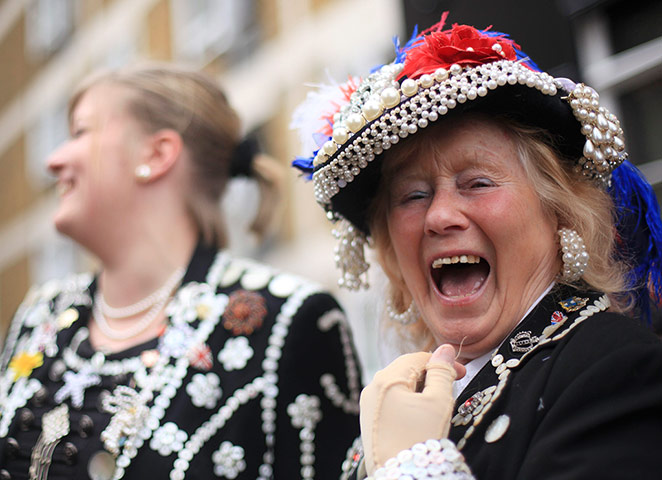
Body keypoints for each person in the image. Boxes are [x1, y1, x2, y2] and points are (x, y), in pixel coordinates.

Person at [292, 13, 662, 479]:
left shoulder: (615, 369)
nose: (440, 216)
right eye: (413, 195)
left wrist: (416, 463)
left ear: (560, 213)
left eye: (478, 183)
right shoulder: (405, 398)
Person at [0, 64, 361, 480]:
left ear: (155, 155)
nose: (53, 160)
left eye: (81, 133)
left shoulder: (288, 319)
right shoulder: (39, 313)